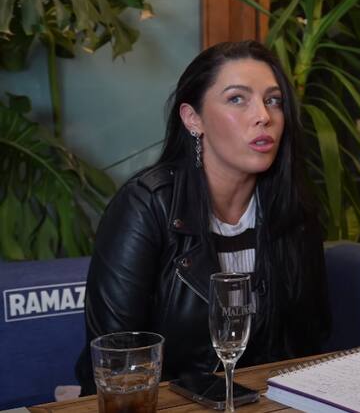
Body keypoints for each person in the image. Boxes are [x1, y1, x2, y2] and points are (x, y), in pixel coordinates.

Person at [75, 40, 331, 394]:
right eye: (237, 99)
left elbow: (308, 345)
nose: (264, 116)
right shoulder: (146, 205)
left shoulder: (293, 208)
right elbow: (117, 360)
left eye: (273, 100)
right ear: (193, 119)